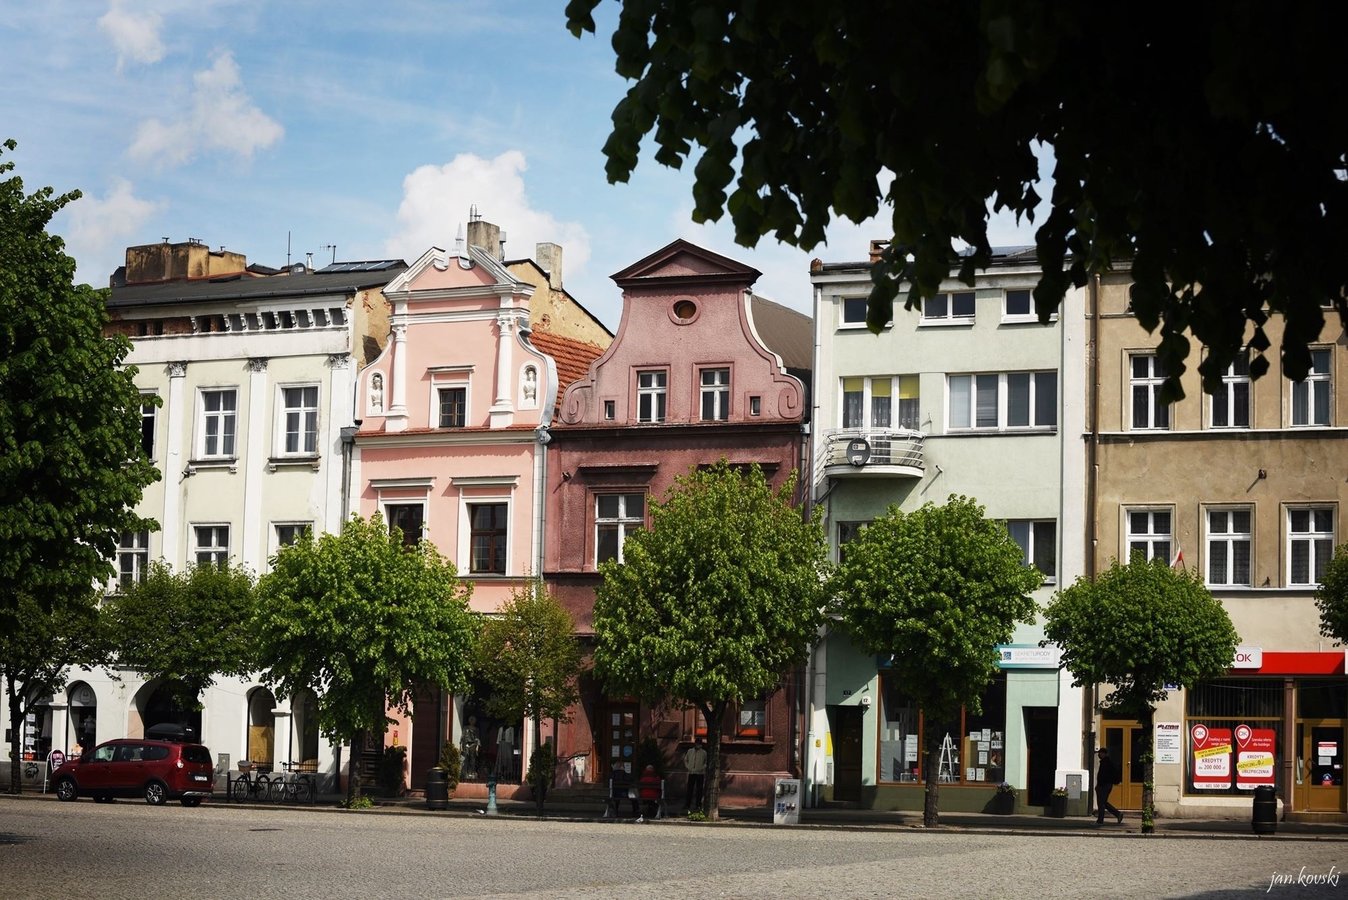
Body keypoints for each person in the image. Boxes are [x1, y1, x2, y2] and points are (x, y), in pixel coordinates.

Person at [1095, 747, 1123, 825]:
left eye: (1100, 753)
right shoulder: (1106, 762)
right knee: (1103, 803)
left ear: (1104, 754)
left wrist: (1099, 785)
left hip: (1104, 785)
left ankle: (1100, 821)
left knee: (1101, 803)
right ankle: (1118, 814)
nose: (1099, 755)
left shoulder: (1106, 763)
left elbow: (1103, 776)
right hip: (1106, 785)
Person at [683, 737, 708, 812]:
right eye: (697, 743)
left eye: (699, 744)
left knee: (699, 790)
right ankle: (687, 804)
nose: (698, 745)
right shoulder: (690, 751)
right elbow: (686, 760)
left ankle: (698, 805)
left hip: (700, 773)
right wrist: (688, 767)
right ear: (695, 743)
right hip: (691, 772)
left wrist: (701, 768)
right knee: (689, 789)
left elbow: (706, 762)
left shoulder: (704, 752)